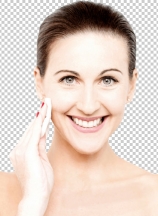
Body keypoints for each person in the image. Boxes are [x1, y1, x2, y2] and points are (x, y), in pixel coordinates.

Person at [0, 1, 157, 215]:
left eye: (108, 80)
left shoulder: (153, 196)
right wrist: (32, 204)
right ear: (40, 83)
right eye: (69, 79)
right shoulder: (3, 193)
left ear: (131, 85)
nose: (88, 106)